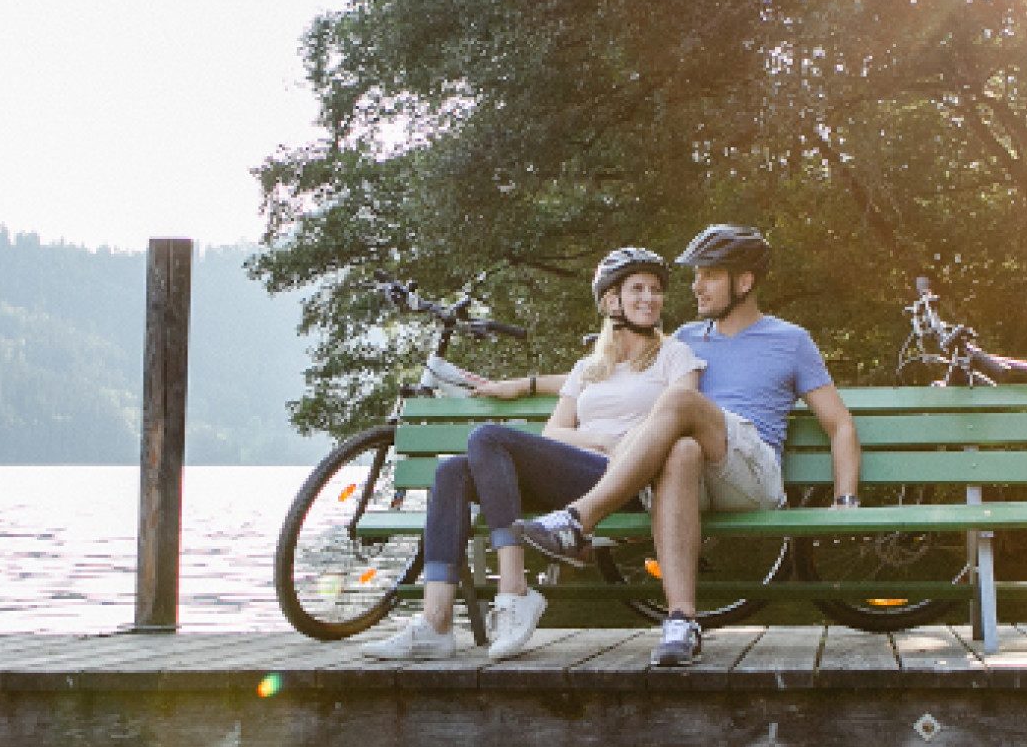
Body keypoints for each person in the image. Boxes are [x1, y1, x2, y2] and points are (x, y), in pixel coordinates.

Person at [512, 224, 860, 667]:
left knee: (678, 400)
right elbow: (606, 370)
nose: (695, 286)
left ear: (744, 282)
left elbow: (839, 424)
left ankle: (579, 520)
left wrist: (845, 499)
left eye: (708, 275)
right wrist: (524, 384)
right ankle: (681, 621)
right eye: (695, 276)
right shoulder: (685, 340)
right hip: (695, 468)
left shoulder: (789, 340)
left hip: (752, 474)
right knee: (681, 450)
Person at [365, 247, 705, 662]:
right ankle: (435, 623)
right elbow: (556, 432)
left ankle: (514, 590)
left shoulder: (675, 355)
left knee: (488, 437)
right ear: (610, 301)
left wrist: (622, 446)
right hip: (584, 473)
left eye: (655, 290)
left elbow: (681, 414)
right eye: (637, 289)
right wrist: (606, 441)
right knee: (452, 471)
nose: (649, 298)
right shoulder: (589, 368)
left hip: (632, 480)